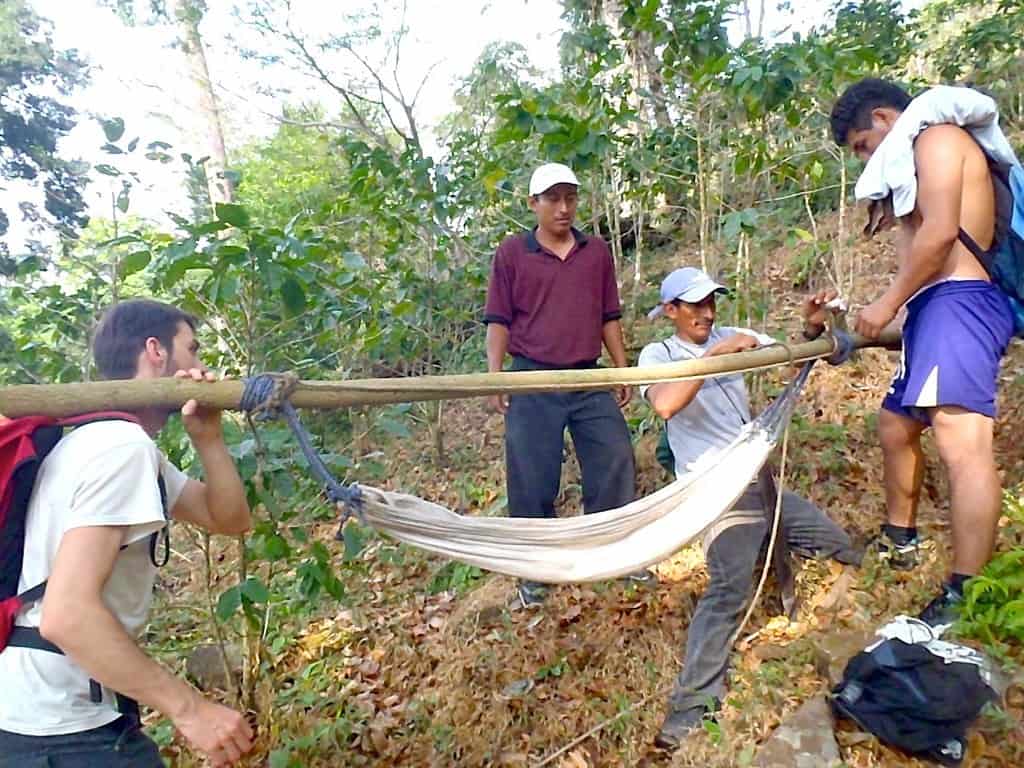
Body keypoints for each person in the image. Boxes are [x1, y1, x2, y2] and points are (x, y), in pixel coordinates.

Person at [0, 299, 255, 767]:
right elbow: (66, 614)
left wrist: (208, 438)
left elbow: (229, 518)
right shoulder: (121, 448)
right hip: (62, 731)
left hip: (47, 718)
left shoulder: (100, 441)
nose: (200, 367)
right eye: (192, 350)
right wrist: (191, 709)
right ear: (156, 351)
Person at [637, 267, 861, 750]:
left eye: (711, 301)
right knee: (728, 589)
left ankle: (824, 628)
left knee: (839, 548)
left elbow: (785, 364)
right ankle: (689, 713)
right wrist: (716, 355)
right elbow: (665, 406)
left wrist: (811, 328)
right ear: (671, 310)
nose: (707, 312)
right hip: (714, 490)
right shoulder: (659, 354)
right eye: (694, 304)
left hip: (758, 480)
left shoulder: (733, 337)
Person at [831, 78, 1014, 627]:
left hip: (959, 303)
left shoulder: (936, 140)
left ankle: (966, 591)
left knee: (963, 442)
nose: (866, 158)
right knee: (896, 424)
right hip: (933, 311)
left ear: (886, 118)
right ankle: (900, 537)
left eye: (863, 145)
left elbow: (937, 238)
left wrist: (885, 305)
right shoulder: (912, 156)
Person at [484, 162, 645, 607]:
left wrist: (620, 367)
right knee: (531, 472)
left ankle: (614, 552)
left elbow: (608, 315)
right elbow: (498, 320)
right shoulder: (513, 254)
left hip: (587, 373)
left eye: (570, 198)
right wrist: (495, 376)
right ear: (533, 204)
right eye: (552, 199)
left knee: (613, 455)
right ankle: (536, 569)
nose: (563, 208)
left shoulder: (595, 253)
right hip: (532, 375)